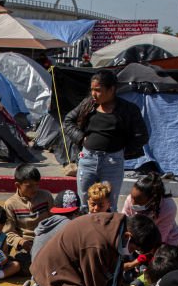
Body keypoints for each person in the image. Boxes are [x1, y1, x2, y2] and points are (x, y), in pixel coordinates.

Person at [14, 213, 161, 286]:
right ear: (128, 236)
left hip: (69, 271)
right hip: (55, 275)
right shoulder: (97, 245)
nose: (131, 253)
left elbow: (113, 273)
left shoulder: (117, 226)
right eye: (134, 249)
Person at [63, 70, 149, 212]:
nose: (93, 94)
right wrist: (80, 138)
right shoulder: (88, 105)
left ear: (112, 89)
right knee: (85, 203)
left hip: (113, 163)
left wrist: (121, 151)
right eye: (92, 90)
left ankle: (107, 232)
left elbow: (141, 136)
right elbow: (68, 121)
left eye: (98, 90)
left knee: (108, 204)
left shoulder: (128, 109)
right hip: (87, 160)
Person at [3, 164, 54, 272]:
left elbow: (55, 220)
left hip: (46, 242)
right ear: (18, 185)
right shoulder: (10, 204)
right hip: (26, 245)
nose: (35, 189)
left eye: (37, 185)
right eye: (29, 186)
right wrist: (22, 242)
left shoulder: (46, 196)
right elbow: (9, 233)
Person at [122, 173, 178, 246]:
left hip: (164, 242)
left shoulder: (168, 208)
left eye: (139, 201)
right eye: (132, 197)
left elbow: (159, 239)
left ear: (152, 199)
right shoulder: (130, 200)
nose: (133, 203)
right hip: (138, 239)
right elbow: (124, 223)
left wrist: (142, 254)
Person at [29, 190, 80, 263]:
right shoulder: (71, 226)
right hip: (55, 273)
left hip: (35, 272)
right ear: (77, 212)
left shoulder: (45, 224)